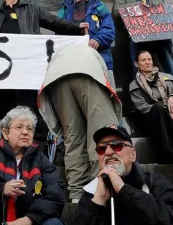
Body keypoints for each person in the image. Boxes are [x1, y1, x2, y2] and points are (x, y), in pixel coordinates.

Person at [0, 0, 88, 115]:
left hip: (26, 61)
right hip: (2, 64)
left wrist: (77, 28)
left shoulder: (31, 9)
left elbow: (54, 22)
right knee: (4, 97)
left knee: (27, 97)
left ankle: (31, 128)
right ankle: (6, 131)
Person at [38, 45, 122, 202]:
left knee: (73, 139)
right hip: (88, 72)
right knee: (102, 134)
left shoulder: (64, 54)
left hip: (56, 78)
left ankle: (76, 195)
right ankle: (101, 187)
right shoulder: (93, 53)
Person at [69, 124, 173, 225]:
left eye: (116, 145)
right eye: (101, 148)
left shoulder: (154, 183)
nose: (108, 152)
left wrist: (124, 190)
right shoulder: (92, 191)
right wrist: (98, 201)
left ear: (133, 154)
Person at [128, 50, 173, 165]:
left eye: (149, 59)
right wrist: (167, 111)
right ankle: (168, 157)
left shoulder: (168, 78)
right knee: (157, 108)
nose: (147, 62)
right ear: (136, 64)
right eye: (143, 60)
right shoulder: (134, 85)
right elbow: (142, 107)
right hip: (152, 121)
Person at [57, 0, 116, 77]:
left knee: (105, 92)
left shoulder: (99, 6)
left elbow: (109, 28)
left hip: (99, 58)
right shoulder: (64, 10)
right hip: (73, 61)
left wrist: (98, 40)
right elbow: (59, 30)